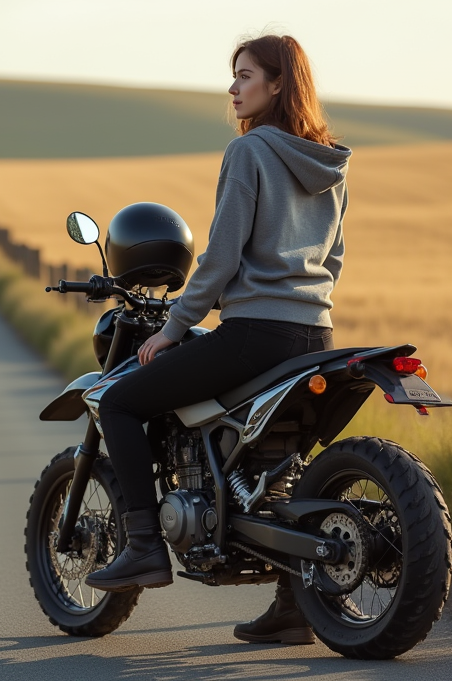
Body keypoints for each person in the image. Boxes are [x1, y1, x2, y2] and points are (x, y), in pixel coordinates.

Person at [84, 34, 351, 646]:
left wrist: (176, 326)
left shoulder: (251, 150)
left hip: (256, 334)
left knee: (122, 401)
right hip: (317, 333)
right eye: (232, 76)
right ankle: (294, 607)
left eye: (244, 75)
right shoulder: (330, 162)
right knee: (285, 465)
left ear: (278, 83)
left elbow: (223, 256)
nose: (232, 88)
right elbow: (334, 259)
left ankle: (146, 546)